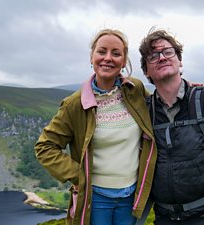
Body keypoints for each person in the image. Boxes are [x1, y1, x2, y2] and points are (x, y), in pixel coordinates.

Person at [35, 28, 157, 225]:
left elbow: (162, 106)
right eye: (102, 51)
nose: (108, 58)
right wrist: (78, 176)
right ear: (92, 57)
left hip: (131, 196)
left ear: (124, 61)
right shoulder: (74, 104)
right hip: (95, 198)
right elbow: (45, 147)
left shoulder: (135, 90)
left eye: (116, 53)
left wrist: (183, 87)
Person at [138, 28, 204, 225]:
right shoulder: (144, 111)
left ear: (180, 61)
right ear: (146, 71)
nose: (162, 58)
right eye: (153, 56)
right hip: (164, 219)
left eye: (168, 52)